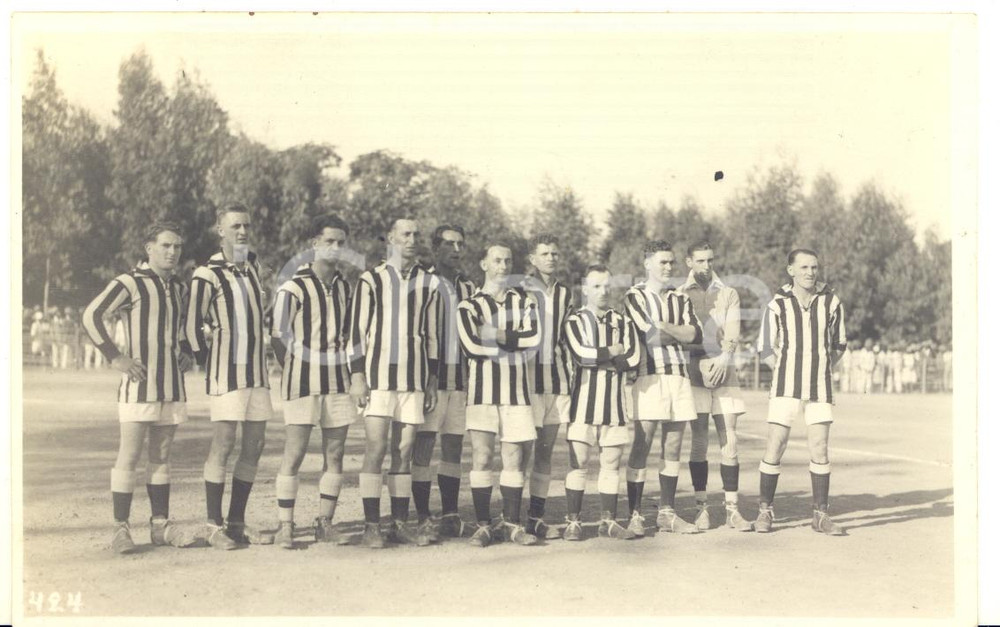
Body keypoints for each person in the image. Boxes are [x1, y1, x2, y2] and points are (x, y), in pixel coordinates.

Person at [82, 221, 198, 553]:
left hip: (171, 386)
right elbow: (92, 315)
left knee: (161, 456)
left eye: (177, 246)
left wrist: (187, 352)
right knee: (129, 455)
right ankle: (120, 527)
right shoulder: (130, 282)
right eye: (165, 245)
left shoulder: (179, 287)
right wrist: (115, 356)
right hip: (139, 385)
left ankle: (160, 525)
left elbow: (181, 329)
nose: (172, 252)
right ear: (149, 248)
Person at [349, 217, 441, 548]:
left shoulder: (428, 283)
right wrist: (357, 375)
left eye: (417, 234)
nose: (412, 239)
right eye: (405, 234)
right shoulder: (371, 279)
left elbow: (432, 336)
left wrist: (431, 379)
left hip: (414, 380)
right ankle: (371, 525)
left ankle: (399, 523)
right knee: (375, 449)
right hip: (377, 380)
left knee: (403, 451)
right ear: (390, 238)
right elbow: (356, 332)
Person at [187, 204, 274, 550]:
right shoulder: (206, 273)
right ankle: (213, 524)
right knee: (223, 445)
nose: (242, 231)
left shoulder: (252, 265)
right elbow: (192, 325)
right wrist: (210, 362)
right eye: (235, 226)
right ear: (219, 230)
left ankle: (237, 522)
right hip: (227, 374)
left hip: (258, 373)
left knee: (255, 444)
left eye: (246, 225)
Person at [270, 215, 357, 549]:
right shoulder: (293, 285)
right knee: (295, 453)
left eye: (341, 242)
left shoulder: (345, 287)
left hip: (337, 380)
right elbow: (277, 336)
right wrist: (295, 367)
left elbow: (349, 335)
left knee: (334, 455)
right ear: (314, 244)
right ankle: (285, 525)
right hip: (301, 381)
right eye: (329, 241)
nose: (336, 248)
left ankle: (325, 522)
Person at [755, 248, 847, 535]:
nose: (810, 272)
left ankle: (820, 514)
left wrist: (820, 368)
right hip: (785, 387)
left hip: (819, 387)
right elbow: (766, 348)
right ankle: (765, 511)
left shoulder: (831, 302)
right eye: (804, 267)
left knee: (819, 447)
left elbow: (839, 344)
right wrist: (783, 370)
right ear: (791, 270)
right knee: (776, 444)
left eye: (814, 267)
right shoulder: (777, 305)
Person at [457, 244, 541, 547]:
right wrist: (512, 340)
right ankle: (482, 525)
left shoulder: (524, 301)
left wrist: (493, 333)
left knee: (514, 458)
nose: (503, 265)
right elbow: (471, 347)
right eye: (497, 260)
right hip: (482, 393)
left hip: (516, 393)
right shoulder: (468, 305)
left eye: (508, 260)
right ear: (484, 264)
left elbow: (534, 341)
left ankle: (512, 524)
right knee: (482, 456)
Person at [623, 240, 704, 536]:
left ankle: (667, 513)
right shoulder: (635, 296)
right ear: (647, 264)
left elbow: (696, 334)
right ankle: (634, 515)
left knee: (672, 446)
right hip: (649, 376)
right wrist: (677, 332)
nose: (669, 267)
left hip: (679, 377)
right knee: (642, 444)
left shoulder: (680, 297)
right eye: (663, 262)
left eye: (672, 262)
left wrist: (667, 327)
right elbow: (650, 338)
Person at [677, 242, 754, 531]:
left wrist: (724, 359)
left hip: (725, 370)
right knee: (699, 441)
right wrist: (698, 364)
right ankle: (701, 508)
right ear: (689, 262)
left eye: (710, 260)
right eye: (700, 261)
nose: (706, 266)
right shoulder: (679, 294)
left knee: (729, 439)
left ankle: (732, 509)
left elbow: (733, 332)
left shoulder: (728, 293)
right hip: (694, 372)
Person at [561, 265, 640, 541]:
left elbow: (633, 359)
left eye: (606, 286)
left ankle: (609, 521)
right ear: (585, 289)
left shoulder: (623, 321)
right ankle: (574, 521)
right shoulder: (574, 321)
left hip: (615, 405)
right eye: (596, 286)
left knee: (611, 463)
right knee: (579, 463)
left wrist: (604, 356)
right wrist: (613, 352)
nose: (603, 291)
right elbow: (581, 355)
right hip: (582, 404)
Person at [411, 225, 477, 538]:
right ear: (436, 247)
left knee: (453, 445)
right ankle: (423, 515)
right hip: (430, 380)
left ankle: (450, 513)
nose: (456, 250)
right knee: (424, 445)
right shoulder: (423, 282)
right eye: (449, 244)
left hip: (460, 380)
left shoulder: (469, 287)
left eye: (460, 244)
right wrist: (424, 377)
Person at [520, 233, 574, 539]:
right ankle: (510, 517)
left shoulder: (565, 293)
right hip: (526, 381)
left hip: (556, 380)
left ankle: (535, 517)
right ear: (532, 258)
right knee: (520, 449)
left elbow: (567, 339)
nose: (551, 257)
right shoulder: (519, 289)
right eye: (544, 253)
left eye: (555, 253)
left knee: (545, 451)